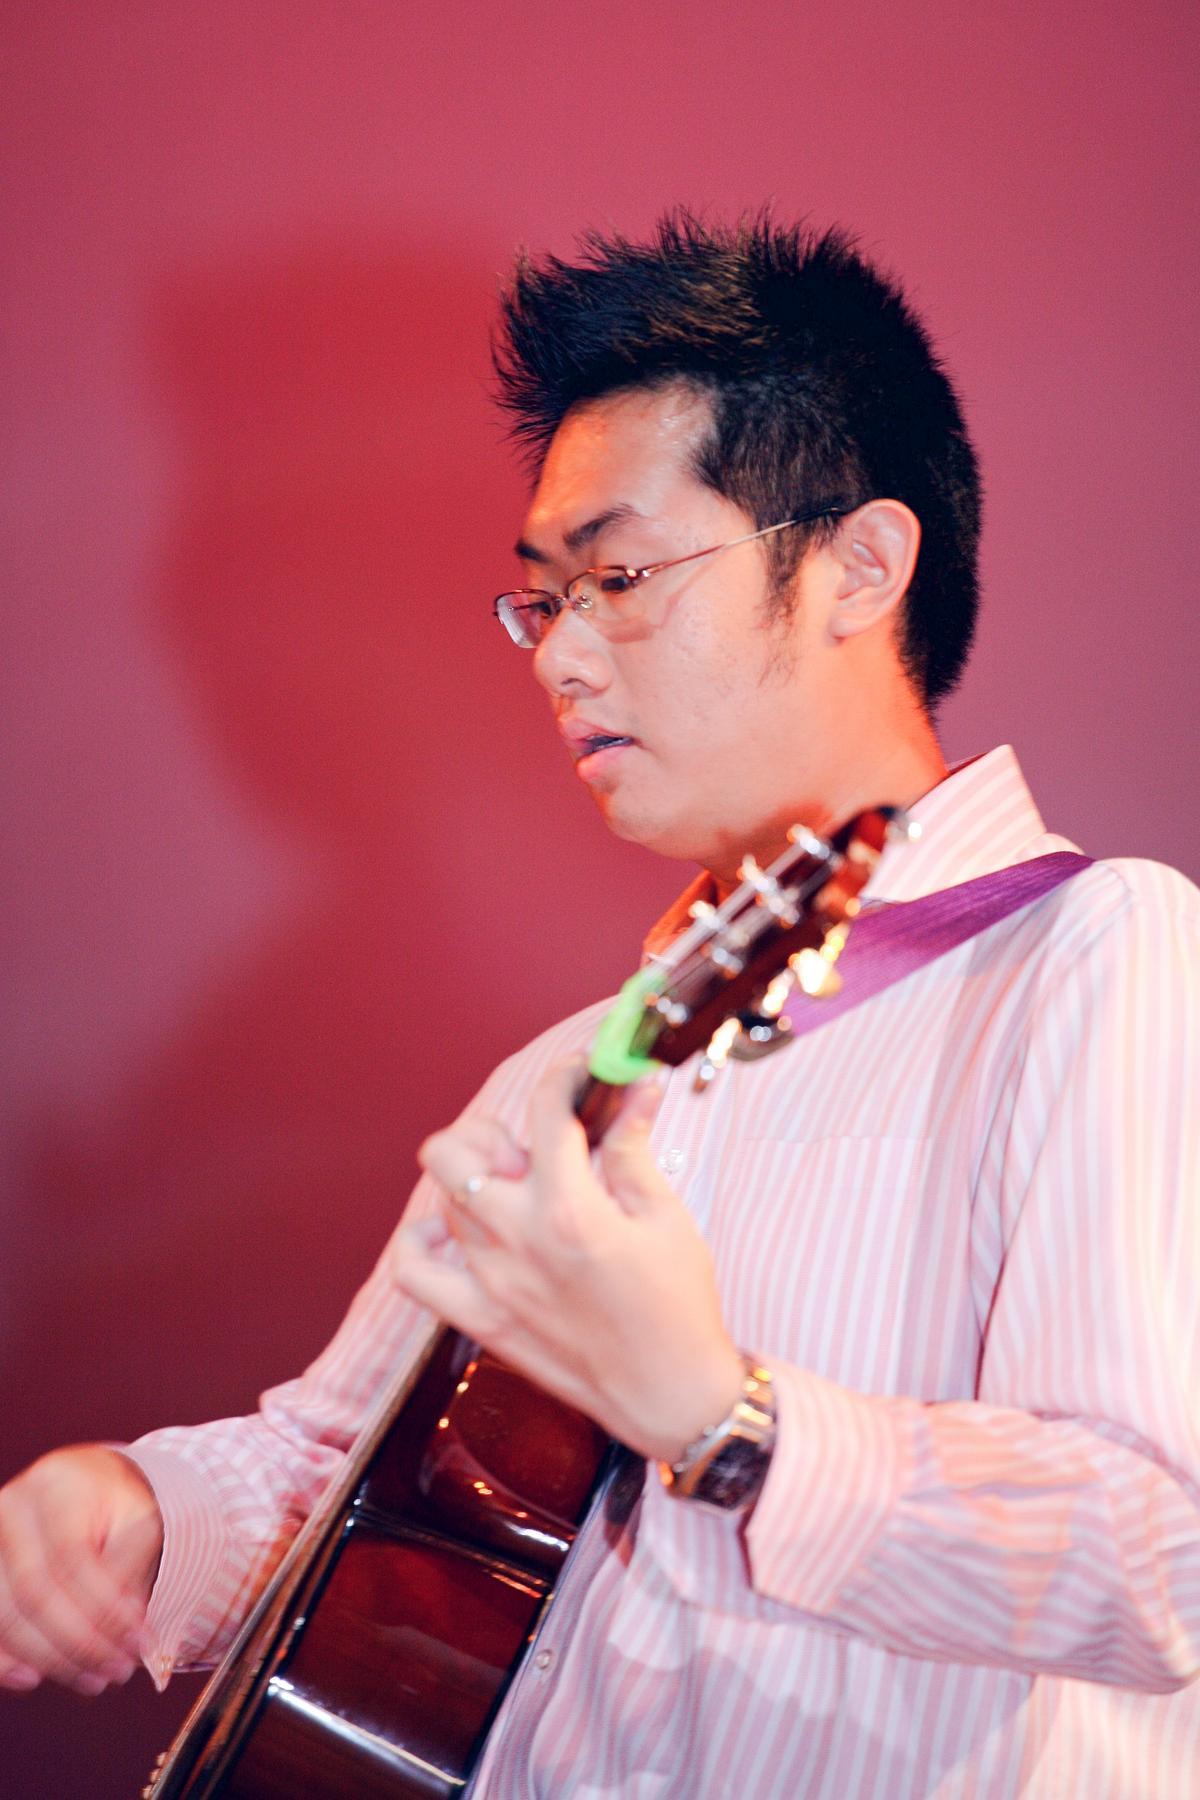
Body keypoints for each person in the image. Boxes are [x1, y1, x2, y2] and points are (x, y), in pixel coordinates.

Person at [1, 212, 1198, 1797]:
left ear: (859, 567)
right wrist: (135, 1514)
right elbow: (346, 1473)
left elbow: (1162, 1552)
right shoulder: (570, 1071)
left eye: (618, 578)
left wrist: (727, 1420)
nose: (559, 657)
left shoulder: (1097, 955)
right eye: (542, 600)